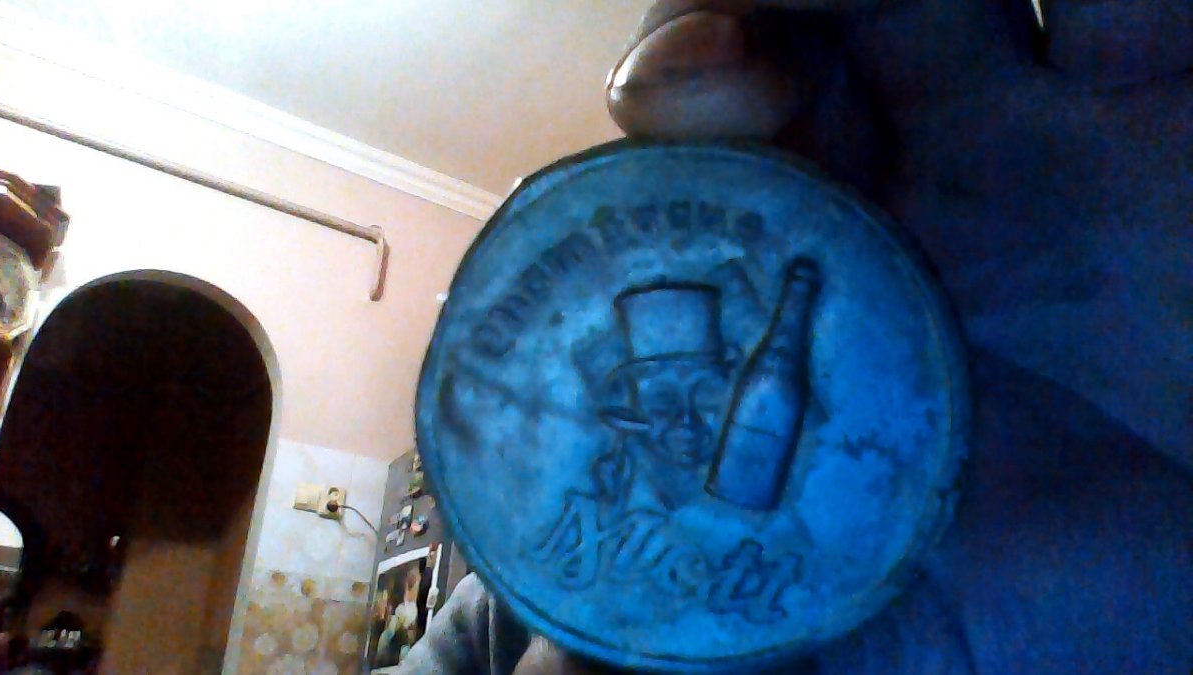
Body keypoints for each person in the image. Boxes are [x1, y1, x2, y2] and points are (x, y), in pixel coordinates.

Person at [397, 1, 1193, 672]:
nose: (692, 421)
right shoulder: (505, 602)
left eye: (706, 389)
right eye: (662, 397)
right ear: (623, 413)